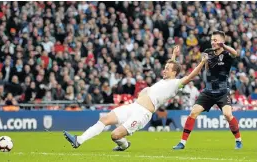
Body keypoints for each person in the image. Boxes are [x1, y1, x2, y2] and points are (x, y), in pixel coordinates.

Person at [63, 46, 208, 151]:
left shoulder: (176, 84)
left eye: (167, 69)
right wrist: (173, 54)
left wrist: (202, 62)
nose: (164, 70)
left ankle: (124, 145)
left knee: (115, 135)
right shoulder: (166, 79)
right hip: (133, 106)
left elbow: (191, 76)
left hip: (142, 114)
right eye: (164, 67)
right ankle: (79, 140)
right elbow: (172, 65)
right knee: (105, 119)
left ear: (174, 72)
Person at [173, 31, 242, 150]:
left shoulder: (227, 54)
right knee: (193, 112)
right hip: (208, 91)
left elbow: (236, 53)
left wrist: (223, 46)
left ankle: (238, 141)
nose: (212, 42)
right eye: (212, 40)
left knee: (227, 114)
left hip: (222, 91)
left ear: (221, 41)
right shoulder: (208, 52)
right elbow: (206, 68)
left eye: (215, 40)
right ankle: (182, 143)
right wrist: (203, 62)